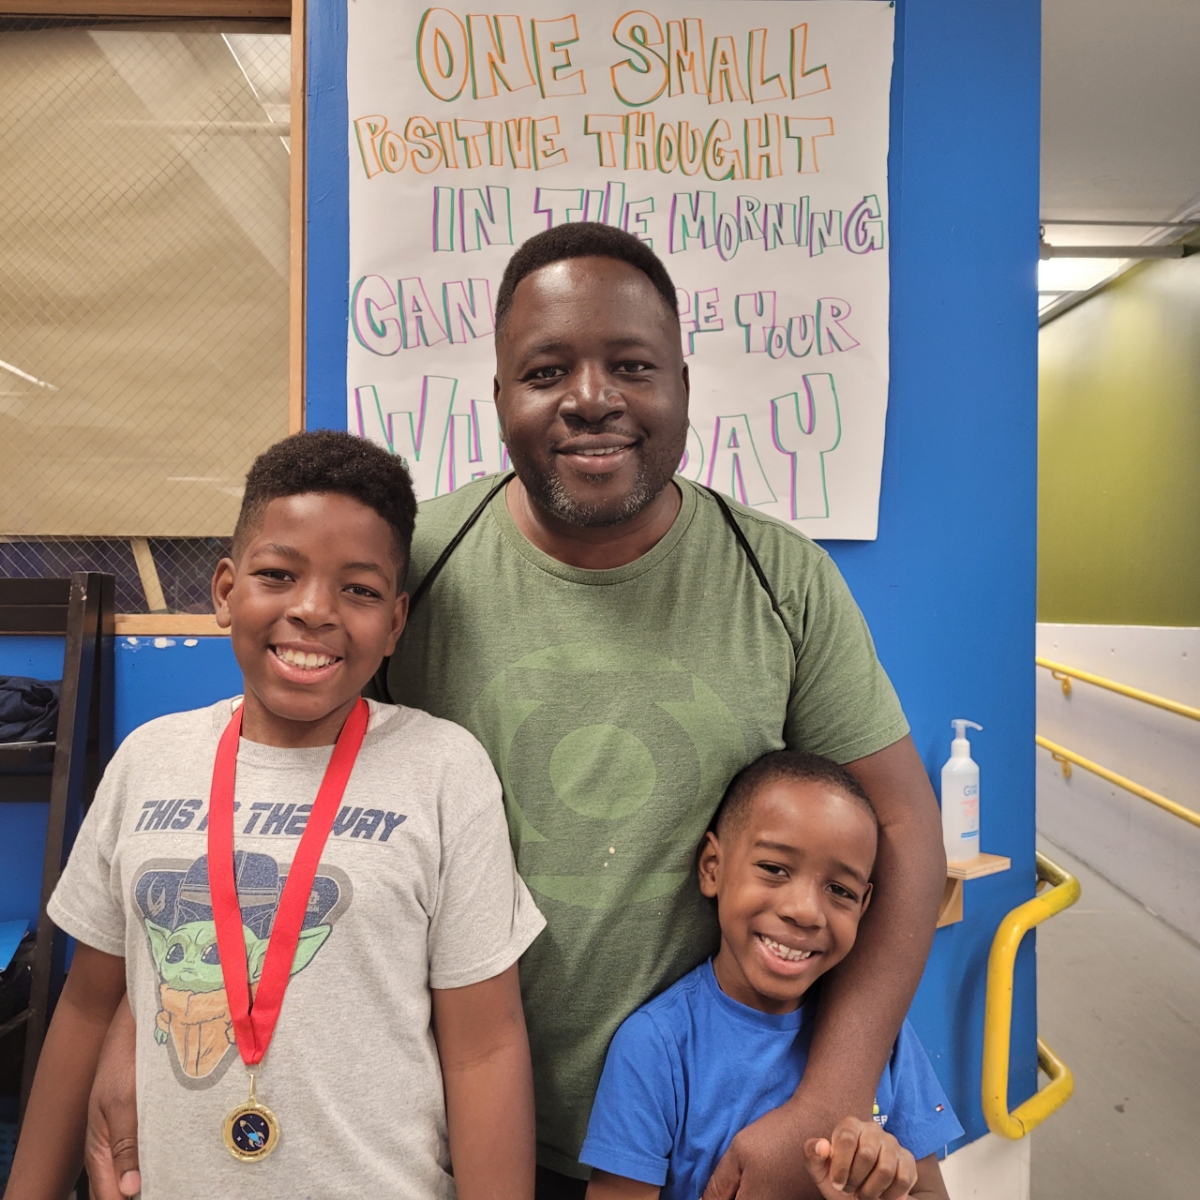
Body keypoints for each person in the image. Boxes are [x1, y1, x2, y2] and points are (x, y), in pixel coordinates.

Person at [86, 224, 946, 1200]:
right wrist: (135, 1019)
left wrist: (826, 1099)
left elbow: (906, 828)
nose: (590, 398)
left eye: (631, 364)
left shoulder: (781, 579)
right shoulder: (415, 571)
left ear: (683, 387)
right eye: (546, 370)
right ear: (499, 398)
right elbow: (262, 784)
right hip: (435, 1134)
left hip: (702, 1151)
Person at [7, 431, 544, 1200]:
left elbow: (485, 1048)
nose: (314, 610)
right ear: (226, 590)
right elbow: (89, 1006)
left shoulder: (444, 772)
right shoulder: (150, 759)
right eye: (278, 574)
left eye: (358, 590)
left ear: (394, 624)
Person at [579, 751, 961, 1200]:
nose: (804, 912)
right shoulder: (656, 1048)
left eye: (840, 890)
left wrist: (884, 1189)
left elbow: (930, 1193)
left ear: (864, 905)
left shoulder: (884, 1039)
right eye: (774, 869)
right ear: (712, 868)